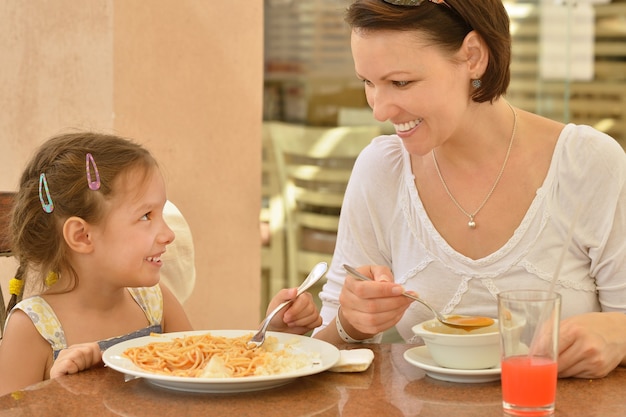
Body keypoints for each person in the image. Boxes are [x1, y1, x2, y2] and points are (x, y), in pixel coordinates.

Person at [312, 0, 626, 379]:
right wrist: (352, 322)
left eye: (400, 82)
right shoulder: (382, 169)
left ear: (473, 58)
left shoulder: (588, 164)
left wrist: (620, 335)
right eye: (367, 82)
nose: (379, 110)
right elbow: (323, 349)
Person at [0, 132, 321, 396]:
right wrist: (57, 394)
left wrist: (274, 333)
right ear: (82, 235)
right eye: (146, 217)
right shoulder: (34, 328)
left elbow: (209, 373)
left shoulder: (155, 303)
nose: (168, 234)